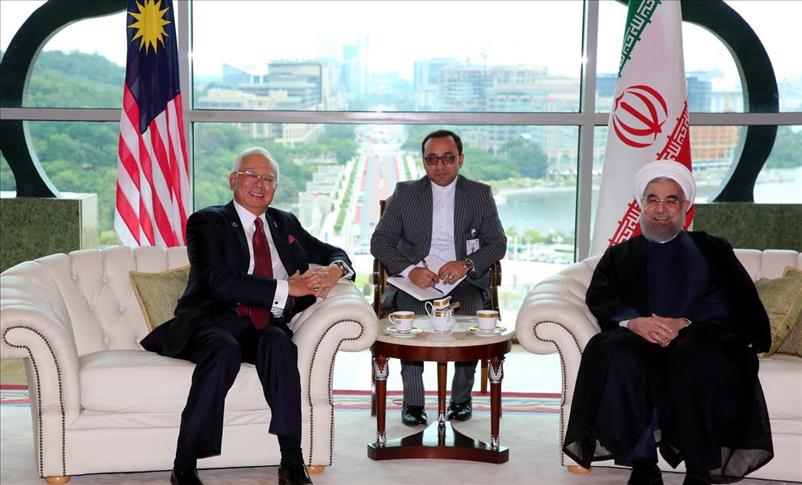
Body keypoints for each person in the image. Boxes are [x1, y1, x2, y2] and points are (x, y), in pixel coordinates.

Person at [141, 147, 354, 485]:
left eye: (268, 178)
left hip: (262, 325)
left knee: (279, 344)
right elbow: (218, 281)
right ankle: (184, 466)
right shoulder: (207, 222)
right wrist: (288, 288)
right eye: (251, 175)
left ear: (275, 187)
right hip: (210, 321)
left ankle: (291, 461)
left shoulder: (284, 222)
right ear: (233, 180)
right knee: (223, 349)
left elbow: (333, 252)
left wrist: (334, 270)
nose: (260, 183)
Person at [562, 160, 773, 485]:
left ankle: (700, 471)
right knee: (616, 352)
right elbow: (602, 298)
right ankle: (643, 465)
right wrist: (634, 322)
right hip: (639, 338)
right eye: (653, 200)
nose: (661, 209)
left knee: (696, 356)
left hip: (700, 336)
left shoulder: (712, 249)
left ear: (685, 207)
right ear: (641, 205)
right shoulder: (621, 255)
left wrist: (685, 322)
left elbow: (733, 300)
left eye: (670, 200)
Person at [370, 129, 507, 426]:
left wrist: (466, 264)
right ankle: (413, 402)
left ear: (460, 159)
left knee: (469, 322)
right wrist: (410, 270)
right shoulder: (405, 193)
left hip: (464, 282)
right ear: (424, 161)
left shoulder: (479, 194)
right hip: (416, 282)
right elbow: (379, 241)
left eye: (448, 158)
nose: (440, 165)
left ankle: (461, 399)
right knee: (408, 324)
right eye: (432, 159)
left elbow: (497, 243)